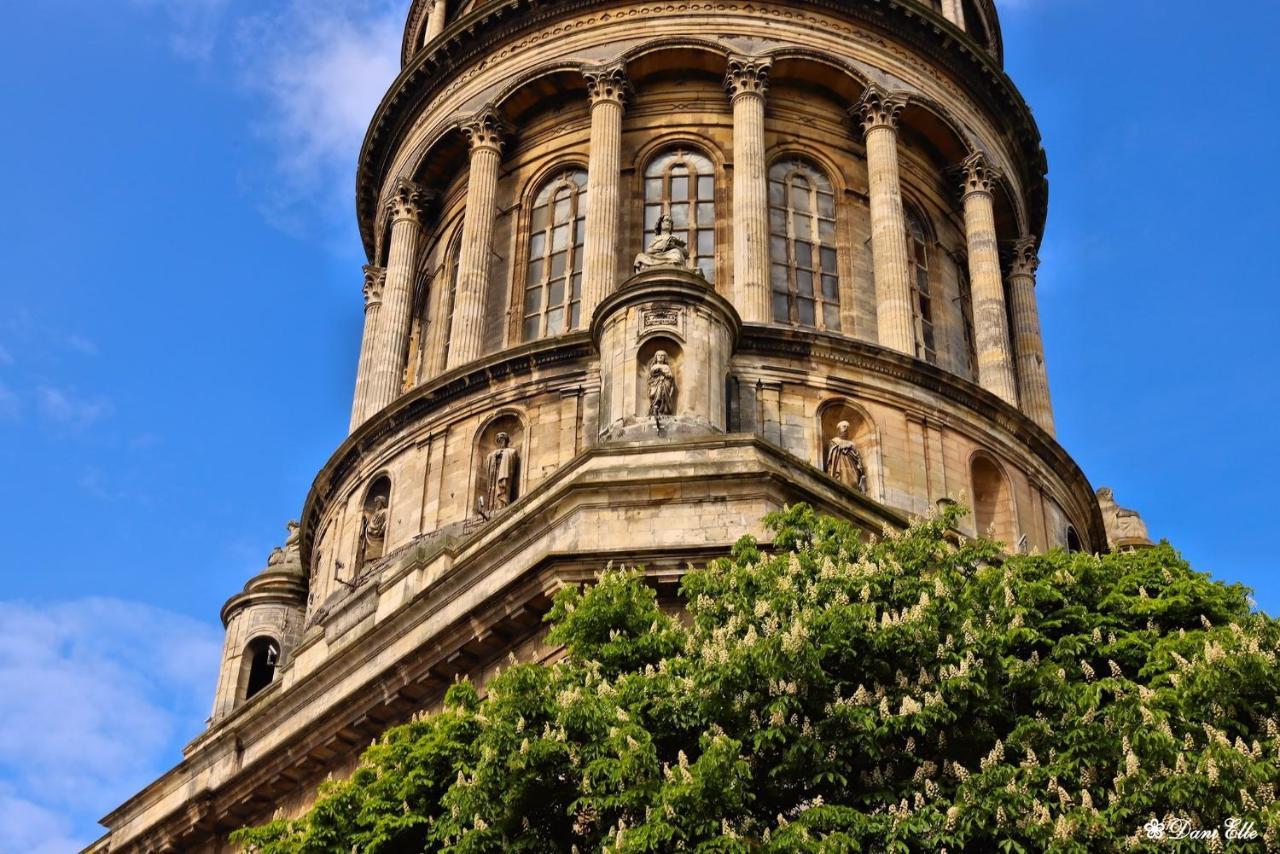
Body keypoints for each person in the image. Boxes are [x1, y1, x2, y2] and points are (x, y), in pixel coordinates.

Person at [825, 420, 867, 492]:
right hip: (839, 464)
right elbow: (831, 453)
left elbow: (857, 456)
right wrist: (842, 447)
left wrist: (850, 448)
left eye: (847, 427)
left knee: (853, 481)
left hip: (852, 466)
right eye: (844, 426)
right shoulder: (834, 441)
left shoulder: (852, 444)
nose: (846, 428)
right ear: (838, 429)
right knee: (841, 478)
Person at [485, 431, 519, 511]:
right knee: (494, 490)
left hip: (504, 473)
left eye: (502, 439)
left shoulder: (511, 451)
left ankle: (502, 505)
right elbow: (488, 459)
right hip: (495, 474)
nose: (501, 441)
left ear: (506, 441)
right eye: (499, 439)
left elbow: (513, 456)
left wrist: (503, 455)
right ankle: (493, 507)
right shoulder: (492, 454)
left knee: (502, 488)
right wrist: (494, 456)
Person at [647, 351, 676, 418]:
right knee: (657, 392)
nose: (660, 357)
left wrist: (664, 373)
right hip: (655, 383)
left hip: (665, 383)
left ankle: (662, 409)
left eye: (662, 355)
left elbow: (670, 376)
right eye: (658, 355)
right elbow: (650, 377)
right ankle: (655, 407)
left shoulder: (666, 366)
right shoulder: (654, 366)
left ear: (664, 358)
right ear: (656, 357)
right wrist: (656, 373)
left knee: (663, 394)